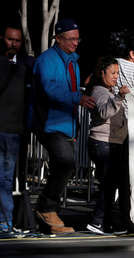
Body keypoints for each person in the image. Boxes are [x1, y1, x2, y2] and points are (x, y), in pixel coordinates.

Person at [32, 18, 95, 234]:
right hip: (49, 123)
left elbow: (70, 91)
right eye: (71, 39)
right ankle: (46, 207)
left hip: (67, 124)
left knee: (67, 165)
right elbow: (50, 90)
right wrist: (77, 98)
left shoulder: (72, 62)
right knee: (65, 161)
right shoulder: (46, 60)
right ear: (58, 39)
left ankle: (48, 213)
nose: (76, 43)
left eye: (77, 39)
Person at [85, 57, 130, 234]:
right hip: (103, 143)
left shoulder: (108, 92)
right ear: (102, 73)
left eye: (118, 73)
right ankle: (98, 221)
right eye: (112, 73)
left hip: (111, 143)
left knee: (111, 184)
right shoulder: (99, 91)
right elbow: (104, 112)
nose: (116, 77)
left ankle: (107, 222)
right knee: (109, 184)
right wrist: (119, 97)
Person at [0, 22, 34, 234]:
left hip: (12, 130)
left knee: (5, 178)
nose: (13, 44)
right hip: (9, 128)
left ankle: (5, 222)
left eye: (17, 40)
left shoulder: (26, 66)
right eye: (10, 39)